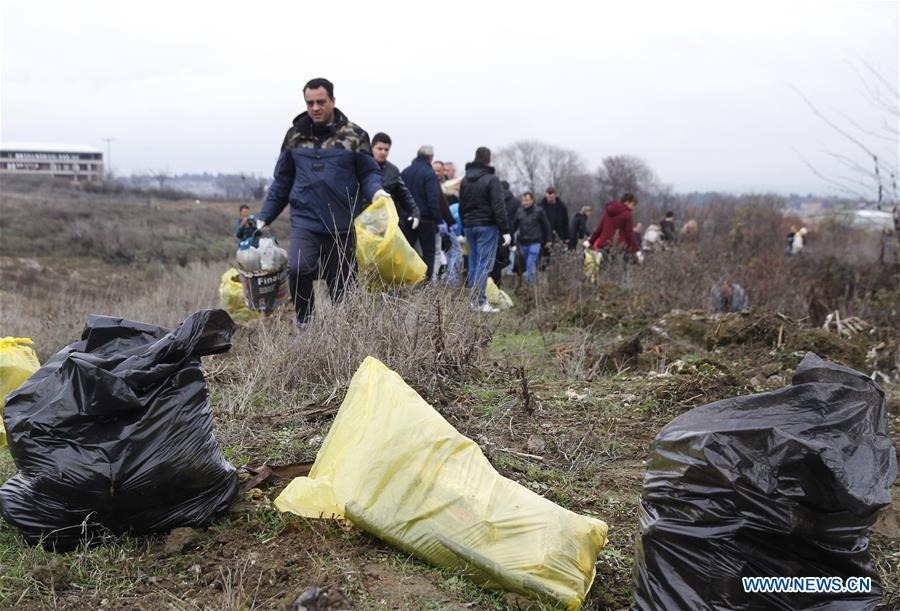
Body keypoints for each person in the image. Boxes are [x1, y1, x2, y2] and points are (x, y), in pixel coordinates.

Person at [257, 77, 384, 326]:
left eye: (320, 102)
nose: (315, 107)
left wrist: (377, 193)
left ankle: (340, 332)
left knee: (342, 285)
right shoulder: (294, 137)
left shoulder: (355, 135)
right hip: (306, 222)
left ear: (333, 101)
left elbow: (369, 173)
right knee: (298, 268)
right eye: (309, 103)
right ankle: (306, 323)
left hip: (344, 225)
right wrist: (264, 217)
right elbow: (282, 181)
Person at [459, 146, 510, 312]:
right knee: (483, 265)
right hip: (487, 226)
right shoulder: (491, 179)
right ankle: (480, 302)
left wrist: (463, 227)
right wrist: (505, 230)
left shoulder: (465, 180)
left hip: (469, 226)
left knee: (473, 263)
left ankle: (473, 301)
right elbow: (498, 206)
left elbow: (462, 205)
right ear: (488, 160)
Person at [401, 146, 443, 281]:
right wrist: (438, 220)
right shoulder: (429, 174)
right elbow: (433, 199)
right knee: (429, 254)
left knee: (405, 252)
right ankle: (426, 284)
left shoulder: (405, 172)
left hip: (407, 217)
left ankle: (403, 282)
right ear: (430, 158)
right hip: (426, 220)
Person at [370, 132, 419, 232]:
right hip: (364, 220)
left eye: (386, 150)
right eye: (380, 149)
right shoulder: (361, 166)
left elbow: (404, 194)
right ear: (372, 148)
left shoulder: (393, 171)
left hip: (387, 222)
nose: (383, 152)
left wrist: (414, 212)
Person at [587, 193, 644, 263]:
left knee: (603, 270)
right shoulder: (627, 214)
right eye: (633, 204)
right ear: (627, 202)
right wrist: (637, 251)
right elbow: (630, 234)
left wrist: (590, 242)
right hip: (619, 248)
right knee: (618, 270)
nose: (633, 207)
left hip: (603, 247)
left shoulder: (607, 212)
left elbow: (599, 229)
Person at [511, 191, 551, 284]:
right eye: (523, 200)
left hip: (535, 242)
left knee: (530, 263)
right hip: (522, 242)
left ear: (532, 200)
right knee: (522, 265)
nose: (525, 202)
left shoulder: (539, 211)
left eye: (527, 200)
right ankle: (529, 283)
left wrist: (548, 239)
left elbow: (546, 225)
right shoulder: (519, 211)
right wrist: (509, 237)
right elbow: (513, 226)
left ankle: (529, 285)